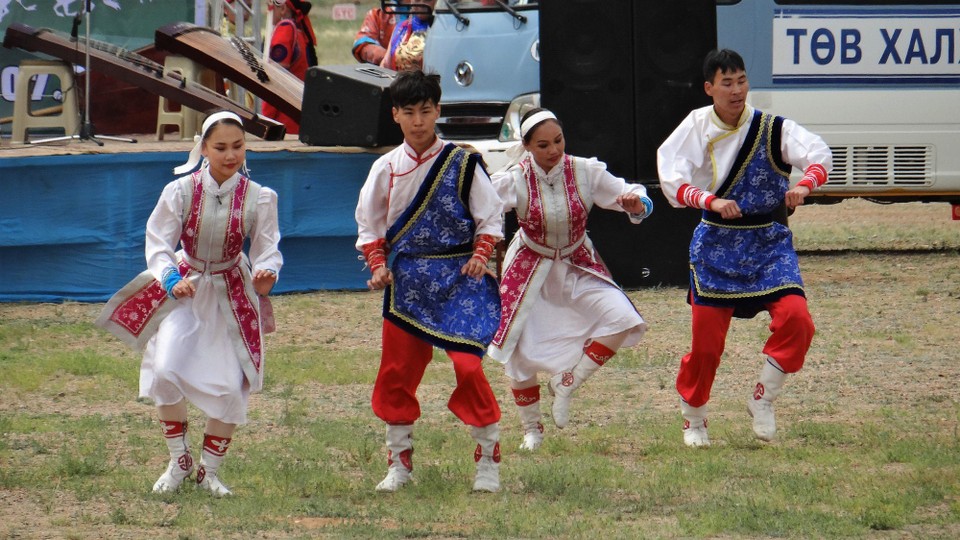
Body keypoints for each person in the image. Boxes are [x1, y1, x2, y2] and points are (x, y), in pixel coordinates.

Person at [96, 111, 283, 496]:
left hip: (231, 293)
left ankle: (209, 471)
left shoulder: (259, 197)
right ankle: (178, 459)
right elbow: (158, 242)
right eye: (221, 147)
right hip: (186, 288)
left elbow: (267, 247)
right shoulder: (179, 192)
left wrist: (266, 272)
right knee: (165, 369)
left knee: (231, 385)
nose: (230, 155)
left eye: (237, 146)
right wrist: (171, 279)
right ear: (203, 148)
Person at [656, 49, 833, 447]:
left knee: (797, 319)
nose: (736, 91)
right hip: (716, 243)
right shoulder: (696, 125)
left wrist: (805, 185)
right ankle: (694, 417)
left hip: (768, 241)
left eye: (741, 81)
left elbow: (819, 153)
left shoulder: (771, 128)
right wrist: (709, 200)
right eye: (727, 83)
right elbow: (670, 174)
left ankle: (764, 395)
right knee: (706, 346)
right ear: (709, 88)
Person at [355, 69, 504, 493]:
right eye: (409, 113)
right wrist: (377, 264)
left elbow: (489, 215)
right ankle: (399, 464)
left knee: (468, 365)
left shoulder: (464, 162)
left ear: (438, 111)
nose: (419, 121)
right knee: (397, 372)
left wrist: (480, 253)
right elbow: (370, 224)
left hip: (460, 277)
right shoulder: (385, 168)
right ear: (395, 115)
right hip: (407, 282)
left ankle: (487, 461)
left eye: (426, 111)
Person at [487, 108, 652, 451]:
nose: (554, 150)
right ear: (528, 147)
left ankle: (568, 382)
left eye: (558, 140)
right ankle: (532, 429)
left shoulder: (585, 171)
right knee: (518, 350)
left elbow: (632, 195)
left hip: (577, 261)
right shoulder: (514, 178)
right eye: (544, 144)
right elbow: (480, 207)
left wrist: (635, 204)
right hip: (529, 266)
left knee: (622, 317)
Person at [262, 0, 318, 134]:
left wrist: (266, 118)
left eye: (270, 7)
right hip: (296, 114)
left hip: (285, 120)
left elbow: (276, 80)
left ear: (283, 8)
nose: (267, 11)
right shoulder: (297, 30)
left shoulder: (285, 28)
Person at [380, 1, 437, 72]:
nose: (421, 3)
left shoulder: (442, 31)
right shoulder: (402, 27)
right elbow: (385, 64)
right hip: (397, 81)